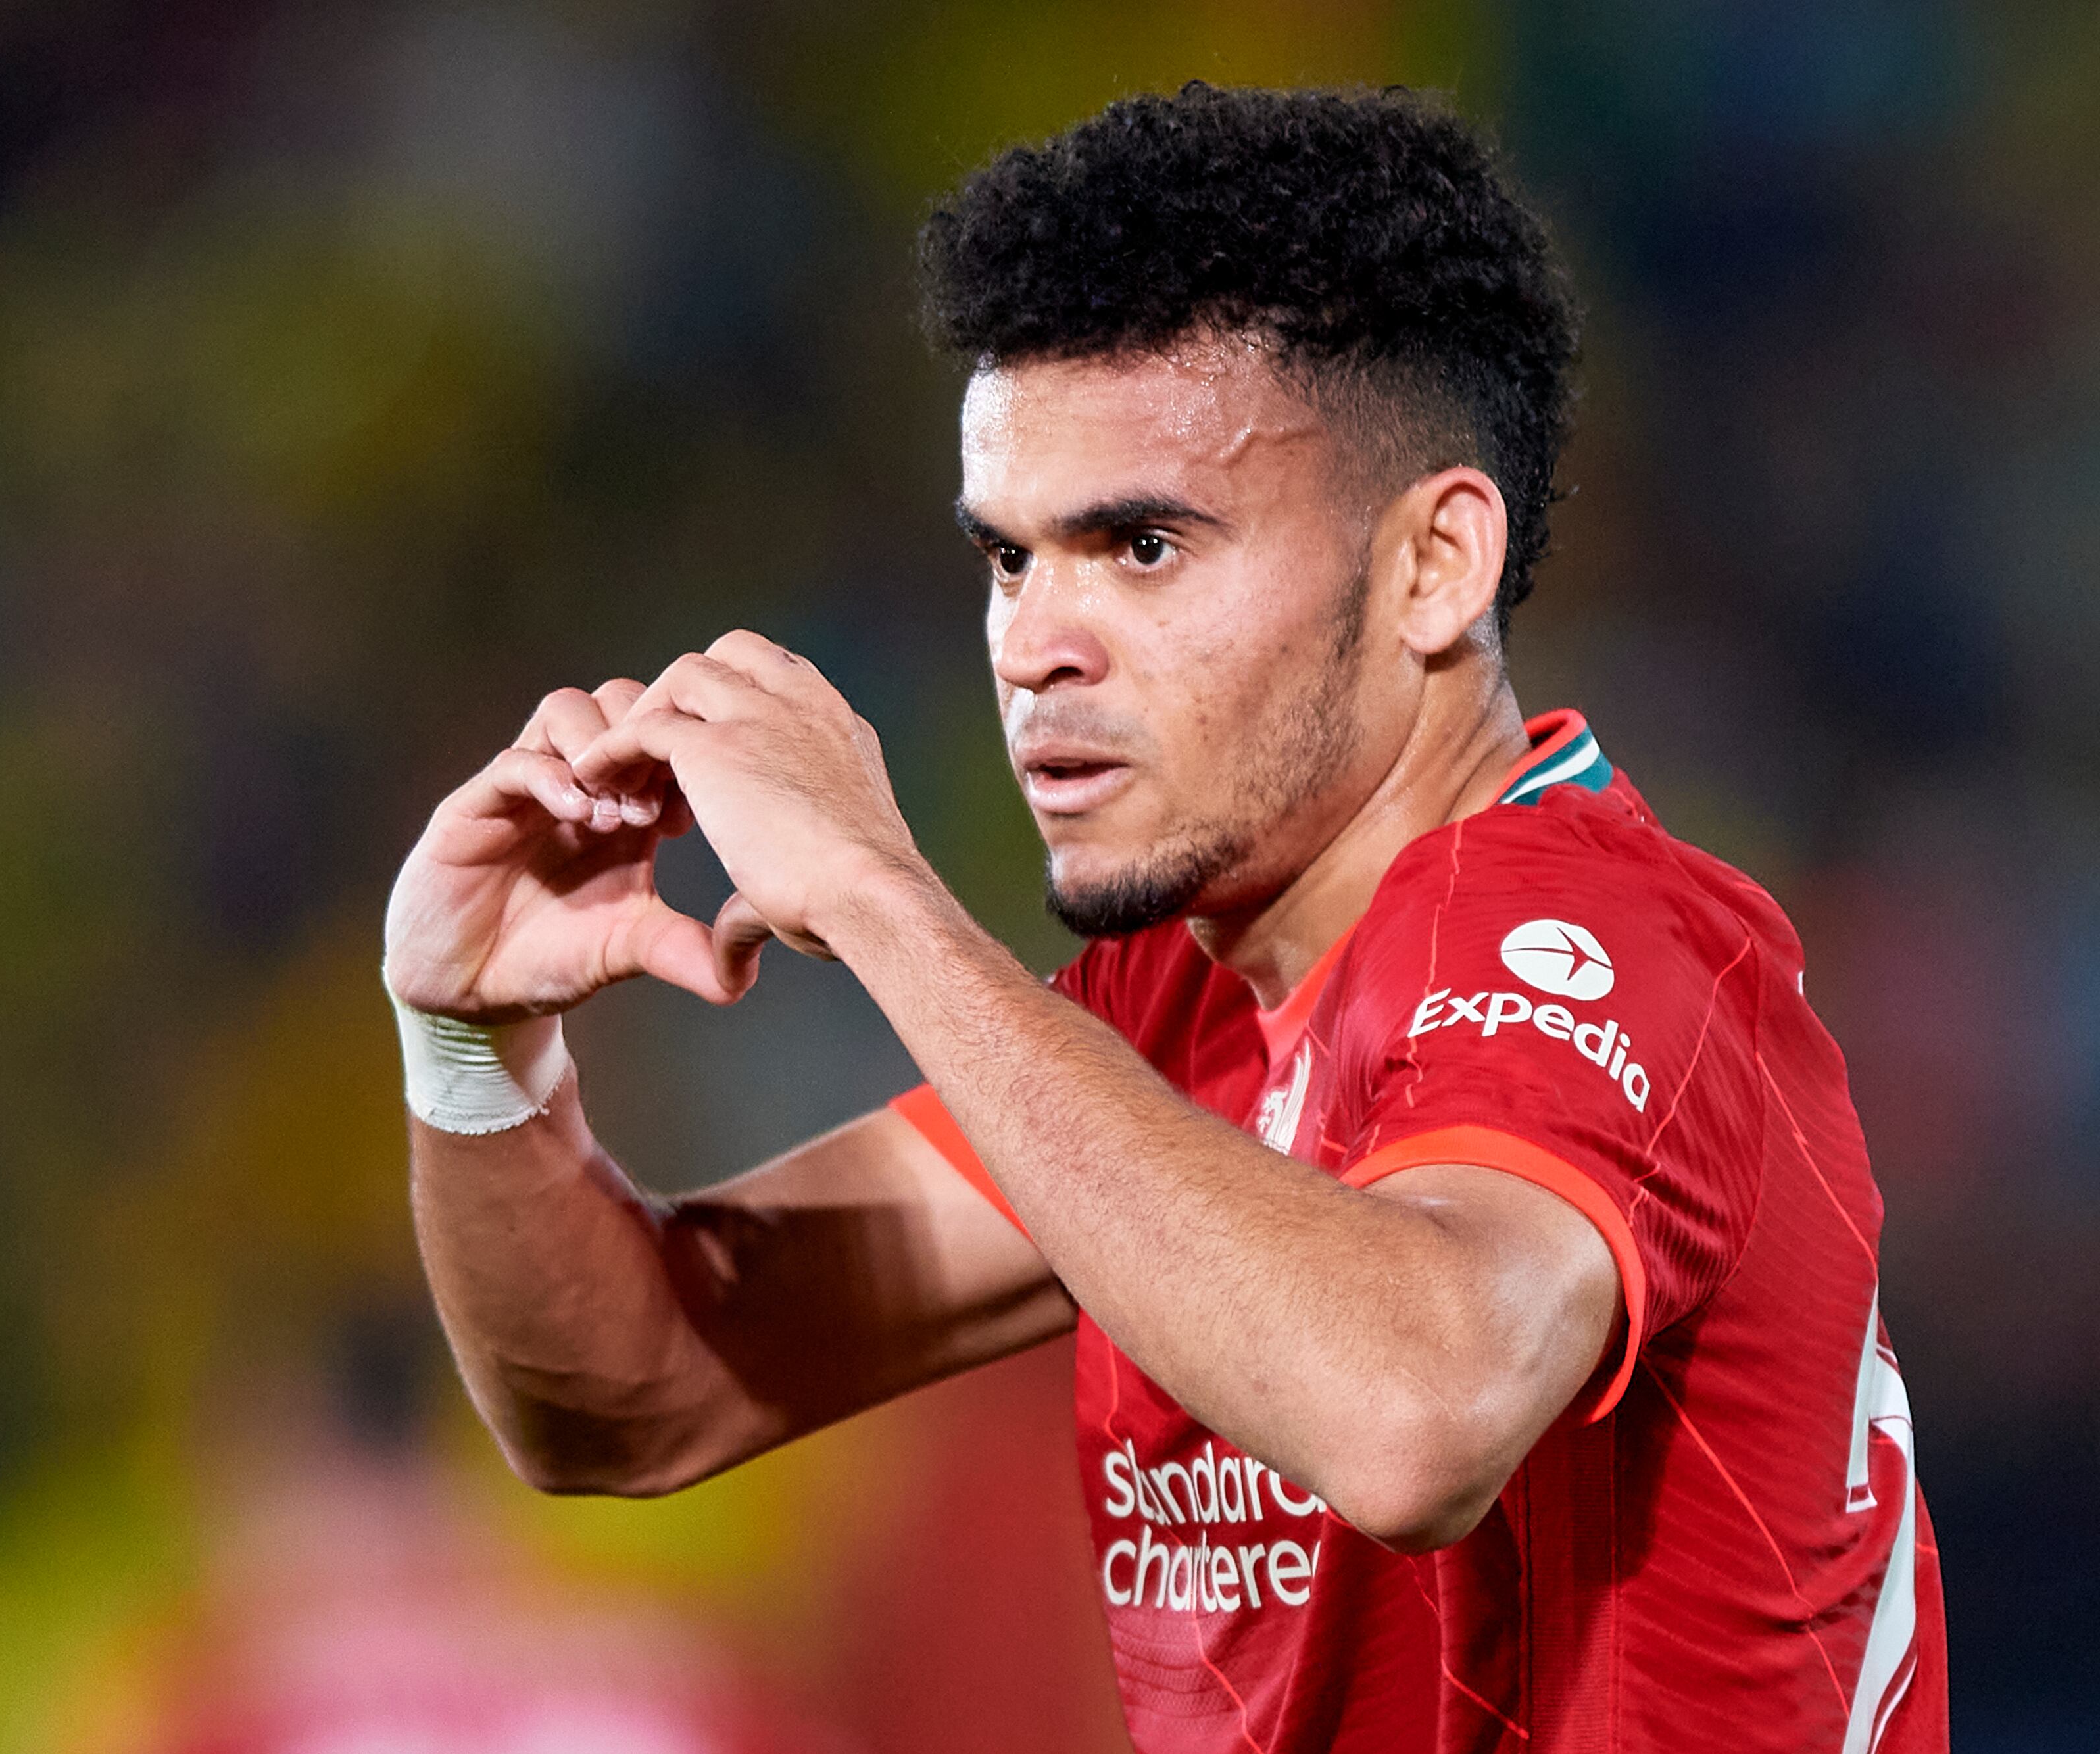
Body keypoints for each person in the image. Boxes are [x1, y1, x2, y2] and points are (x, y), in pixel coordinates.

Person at [381, 84, 1945, 1753]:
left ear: (1433, 563)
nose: (1036, 644)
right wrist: (471, 1045)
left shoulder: (1603, 940)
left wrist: (882, 896)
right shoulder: (1167, 1010)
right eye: (1007, 559)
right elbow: (633, 1387)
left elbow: (1414, 1407)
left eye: (1139, 545)